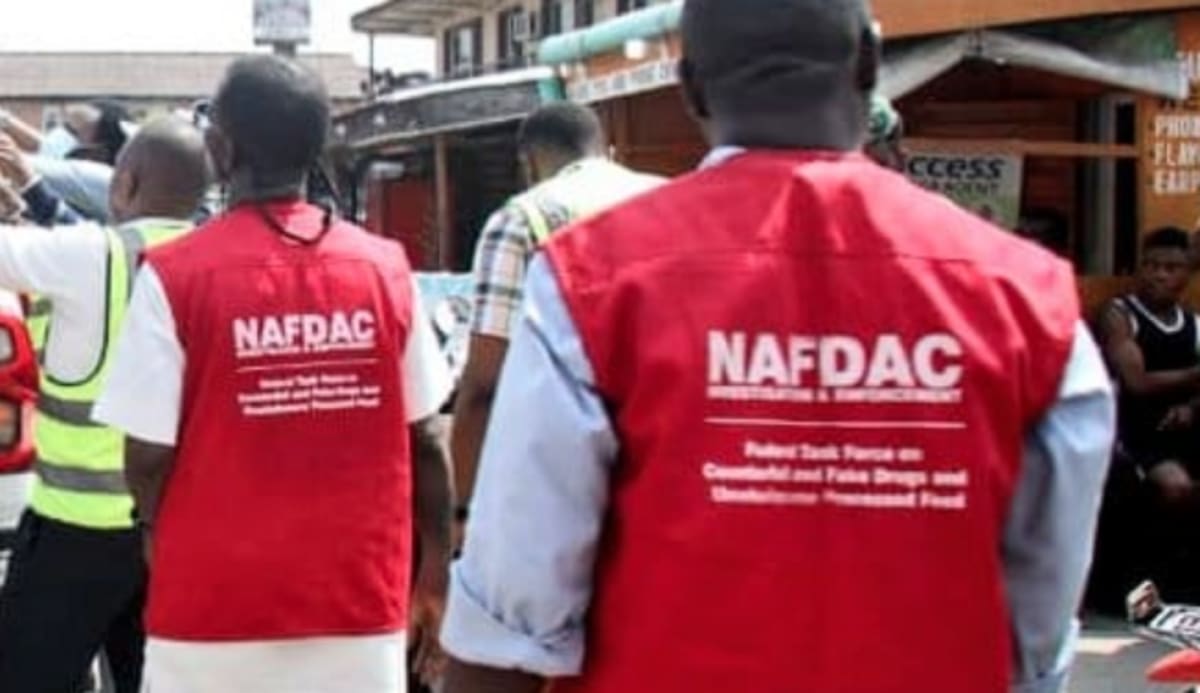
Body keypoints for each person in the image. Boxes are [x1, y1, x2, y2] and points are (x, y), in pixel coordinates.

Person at [440, 0, 1114, 691]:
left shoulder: (590, 282)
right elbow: (1038, 630)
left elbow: (510, 623)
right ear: (871, 63)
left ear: (691, 86)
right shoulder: (1031, 298)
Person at [94, 55, 454, 693]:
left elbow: (148, 456)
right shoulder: (385, 270)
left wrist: (156, 531)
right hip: (358, 606)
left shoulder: (174, 276)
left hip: (208, 610)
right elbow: (425, 438)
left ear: (220, 149)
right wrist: (434, 577)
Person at [0, 117, 210, 693]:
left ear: (125, 183)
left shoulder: (91, 256)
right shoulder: (217, 261)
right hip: (174, 536)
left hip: (75, 536)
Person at [450, 102, 661, 522]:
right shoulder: (667, 196)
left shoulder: (522, 218)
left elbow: (484, 385)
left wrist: (460, 509)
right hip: (664, 459)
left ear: (528, 163)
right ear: (608, 151)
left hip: (560, 481)